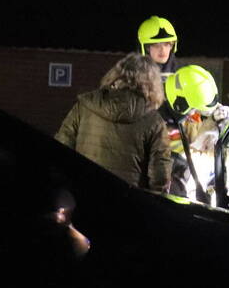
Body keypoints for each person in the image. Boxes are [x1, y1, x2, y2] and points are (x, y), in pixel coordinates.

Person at [56, 53, 171, 192]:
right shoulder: (154, 122)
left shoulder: (85, 107)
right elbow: (159, 178)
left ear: (115, 75)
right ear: (153, 84)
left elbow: (61, 150)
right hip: (128, 201)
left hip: (83, 194)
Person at [162, 64, 229, 201]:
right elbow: (184, 159)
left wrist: (215, 122)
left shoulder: (184, 115)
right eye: (195, 110)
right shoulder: (163, 126)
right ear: (180, 104)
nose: (197, 115)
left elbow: (195, 144)